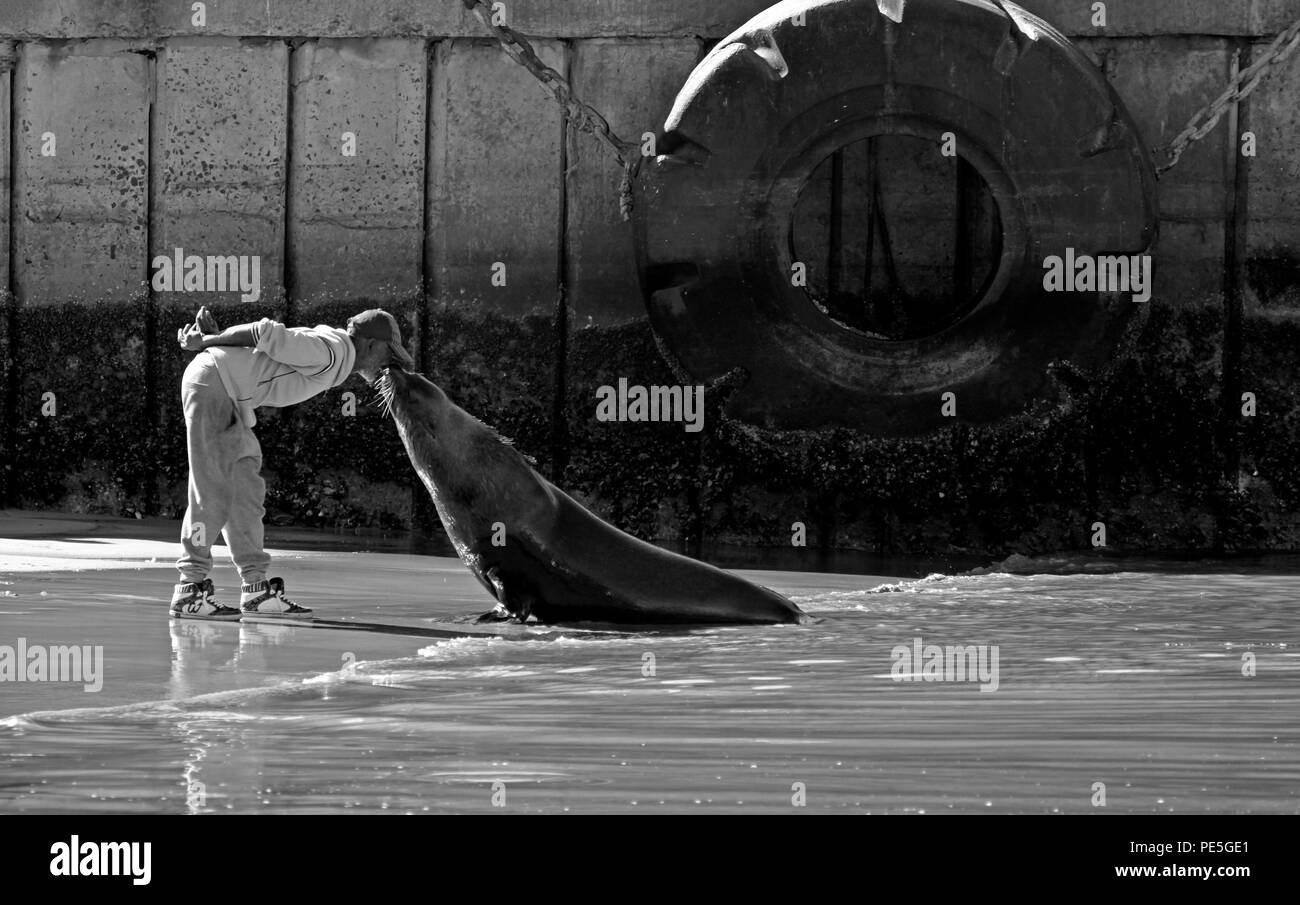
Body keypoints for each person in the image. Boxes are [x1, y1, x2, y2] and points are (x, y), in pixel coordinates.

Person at [169, 307, 413, 620]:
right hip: (214, 385)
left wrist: (217, 342)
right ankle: (189, 588)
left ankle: (256, 589)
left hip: (224, 387)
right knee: (211, 489)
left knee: (246, 493)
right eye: (388, 354)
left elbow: (266, 347)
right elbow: (264, 332)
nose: (388, 364)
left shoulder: (334, 353)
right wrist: (209, 340)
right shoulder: (330, 352)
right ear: (370, 344)